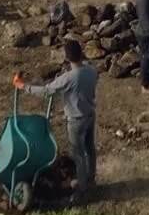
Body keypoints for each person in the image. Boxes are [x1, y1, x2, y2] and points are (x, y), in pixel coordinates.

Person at [13, 41, 98, 203]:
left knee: (78, 155)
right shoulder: (91, 71)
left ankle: (82, 191)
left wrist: (23, 86)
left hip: (76, 120)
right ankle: (91, 180)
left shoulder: (68, 78)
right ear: (81, 53)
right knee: (90, 148)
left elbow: (46, 91)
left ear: (66, 58)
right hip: (90, 115)